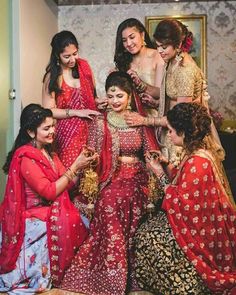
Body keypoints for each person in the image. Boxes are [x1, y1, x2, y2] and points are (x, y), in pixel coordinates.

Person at [58, 71, 167, 295]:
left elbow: (150, 152)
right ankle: (110, 270)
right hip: (111, 175)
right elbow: (94, 155)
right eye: (111, 96)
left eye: (120, 96)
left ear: (129, 97)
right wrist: (93, 160)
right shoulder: (101, 122)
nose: (115, 101)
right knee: (108, 199)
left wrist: (155, 163)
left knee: (124, 199)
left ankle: (126, 270)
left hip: (138, 176)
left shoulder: (137, 120)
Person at [134, 103, 236, 295]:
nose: (169, 136)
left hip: (199, 233)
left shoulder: (198, 161)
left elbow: (181, 202)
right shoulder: (196, 152)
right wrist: (166, 164)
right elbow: (184, 181)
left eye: (172, 131)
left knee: (146, 237)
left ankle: (181, 282)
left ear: (183, 133)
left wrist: (158, 173)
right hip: (201, 223)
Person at [0, 104, 98, 294]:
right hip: (32, 216)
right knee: (70, 221)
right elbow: (49, 192)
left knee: (84, 216)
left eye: (53, 126)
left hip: (49, 209)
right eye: (46, 128)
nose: (52, 131)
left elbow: (67, 184)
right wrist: (75, 167)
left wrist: (83, 163)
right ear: (30, 131)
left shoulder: (49, 153)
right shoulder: (26, 157)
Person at [42, 30, 100, 168]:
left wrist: (101, 102)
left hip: (91, 131)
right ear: (57, 55)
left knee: (92, 177)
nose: (73, 59)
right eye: (67, 56)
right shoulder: (53, 77)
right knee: (71, 175)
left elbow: (92, 99)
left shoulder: (84, 68)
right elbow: (48, 111)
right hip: (68, 136)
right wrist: (75, 112)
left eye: (75, 54)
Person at [96, 18, 164, 115]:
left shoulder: (157, 56)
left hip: (153, 117)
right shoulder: (124, 61)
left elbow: (161, 93)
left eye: (132, 37)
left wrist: (140, 83)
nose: (128, 43)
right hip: (130, 118)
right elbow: (124, 97)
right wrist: (115, 82)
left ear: (142, 35)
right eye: (124, 40)